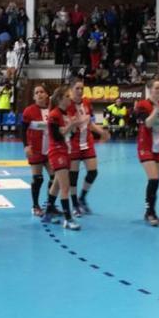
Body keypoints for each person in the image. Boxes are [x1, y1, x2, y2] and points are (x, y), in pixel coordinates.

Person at [44, 85, 86, 230]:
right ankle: (68, 219)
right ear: (61, 99)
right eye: (67, 96)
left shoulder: (66, 114)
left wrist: (74, 127)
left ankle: (48, 211)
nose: (70, 98)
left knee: (56, 184)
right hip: (57, 152)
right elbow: (56, 135)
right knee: (65, 187)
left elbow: (69, 134)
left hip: (65, 150)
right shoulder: (54, 114)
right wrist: (71, 125)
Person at [68, 79, 110, 215]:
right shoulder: (67, 104)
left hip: (87, 142)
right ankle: (74, 204)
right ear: (71, 89)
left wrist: (101, 132)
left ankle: (82, 198)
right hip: (73, 143)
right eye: (77, 89)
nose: (80, 91)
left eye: (82, 89)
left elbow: (90, 123)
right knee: (73, 176)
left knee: (93, 172)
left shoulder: (86, 103)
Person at [134, 79, 159, 227]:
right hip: (146, 146)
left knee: (154, 182)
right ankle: (151, 212)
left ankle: (149, 211)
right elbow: (147, 124)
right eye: (156, 88)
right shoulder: (142, 105)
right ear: (149, 89)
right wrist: (156, 111)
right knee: (154, 179)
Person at [21, 85, 55, 218]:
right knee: (38, 178)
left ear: (47, 95)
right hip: (35, 149)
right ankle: (35, 206)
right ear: (34, 96)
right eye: (37, 92)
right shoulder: (29, 111)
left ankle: (50, 205)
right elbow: (22, 130)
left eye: (42, 92)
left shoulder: (52, 110)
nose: (40, 94)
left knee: (55, 178)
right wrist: (25, 146)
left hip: (50, 149)